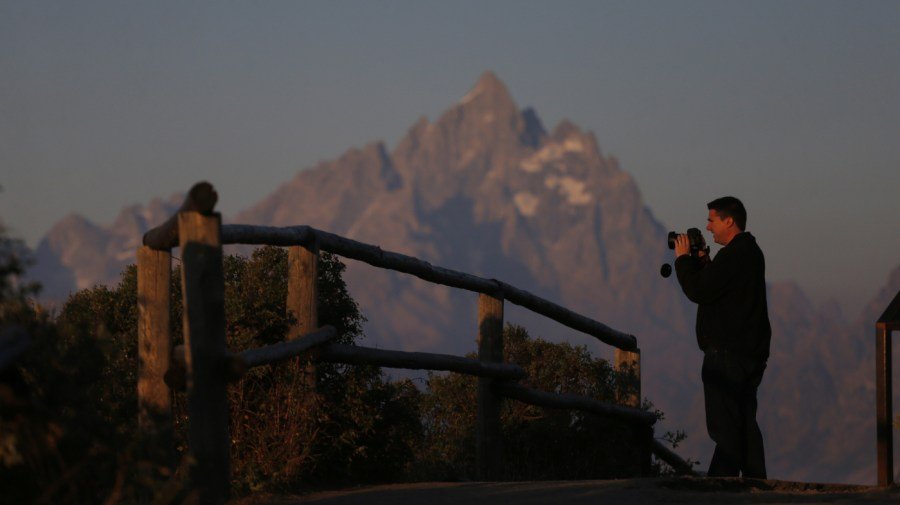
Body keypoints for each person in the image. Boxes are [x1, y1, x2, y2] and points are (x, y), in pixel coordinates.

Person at [673, 196, 771, 478]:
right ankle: (756, 482)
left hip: (727, 355)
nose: (708, 227)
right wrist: (705, 263)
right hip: (750, 353)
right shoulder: (750, 252)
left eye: (712, 220)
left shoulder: (735, 255)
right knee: (744, 421)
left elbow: (700, 291)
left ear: (729, 221)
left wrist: (682, 261)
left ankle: (718, 485)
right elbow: (719, 287)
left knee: (724, 424)